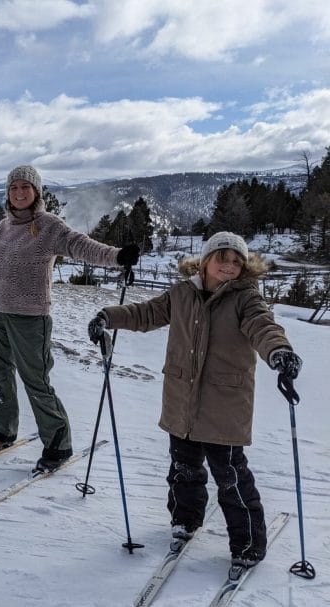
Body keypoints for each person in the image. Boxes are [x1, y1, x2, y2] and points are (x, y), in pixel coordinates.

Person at [87, 231, 302, 569]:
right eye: (222, 258)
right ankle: (185, 521)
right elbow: (145, 314)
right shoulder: (182, 293)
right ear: (205, 261)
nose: (229, 266)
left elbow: (264, 328)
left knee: (231, 477)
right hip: (182, 400)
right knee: (183, 470)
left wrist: (280, 352)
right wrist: (108, 317)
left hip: (224, 405)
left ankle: (248, 544)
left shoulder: (247, 299)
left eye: (236, 261)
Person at [0, 165, 139, 471]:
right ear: (8, 193)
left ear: (36, 191)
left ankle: (58, 444)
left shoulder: (49, 226)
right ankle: (3, 430)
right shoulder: (2, 227)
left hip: (29, 317)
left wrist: (117, 257)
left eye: (26, 187)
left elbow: (81, 246)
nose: (20, 192)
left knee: (36, 381)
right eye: (14, 188)